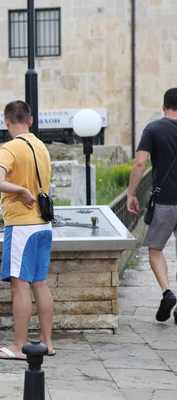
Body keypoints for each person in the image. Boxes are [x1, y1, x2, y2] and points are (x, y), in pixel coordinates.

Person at [0, 100, 55, 361]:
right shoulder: (41, 146)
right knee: (40, 283)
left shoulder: (9, 148)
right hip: (44, 224)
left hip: (21, 225)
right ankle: (47, 343)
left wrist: (20, 190)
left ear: (6, 122)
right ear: (30, 120)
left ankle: (19, 346)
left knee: (20, 286)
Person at [127, 88, 177, 323]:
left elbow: (139, 164)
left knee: (155, 249)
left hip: (165, 201)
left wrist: (131, 194)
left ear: (163, 105)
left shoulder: (154, 129)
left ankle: (167, 292)